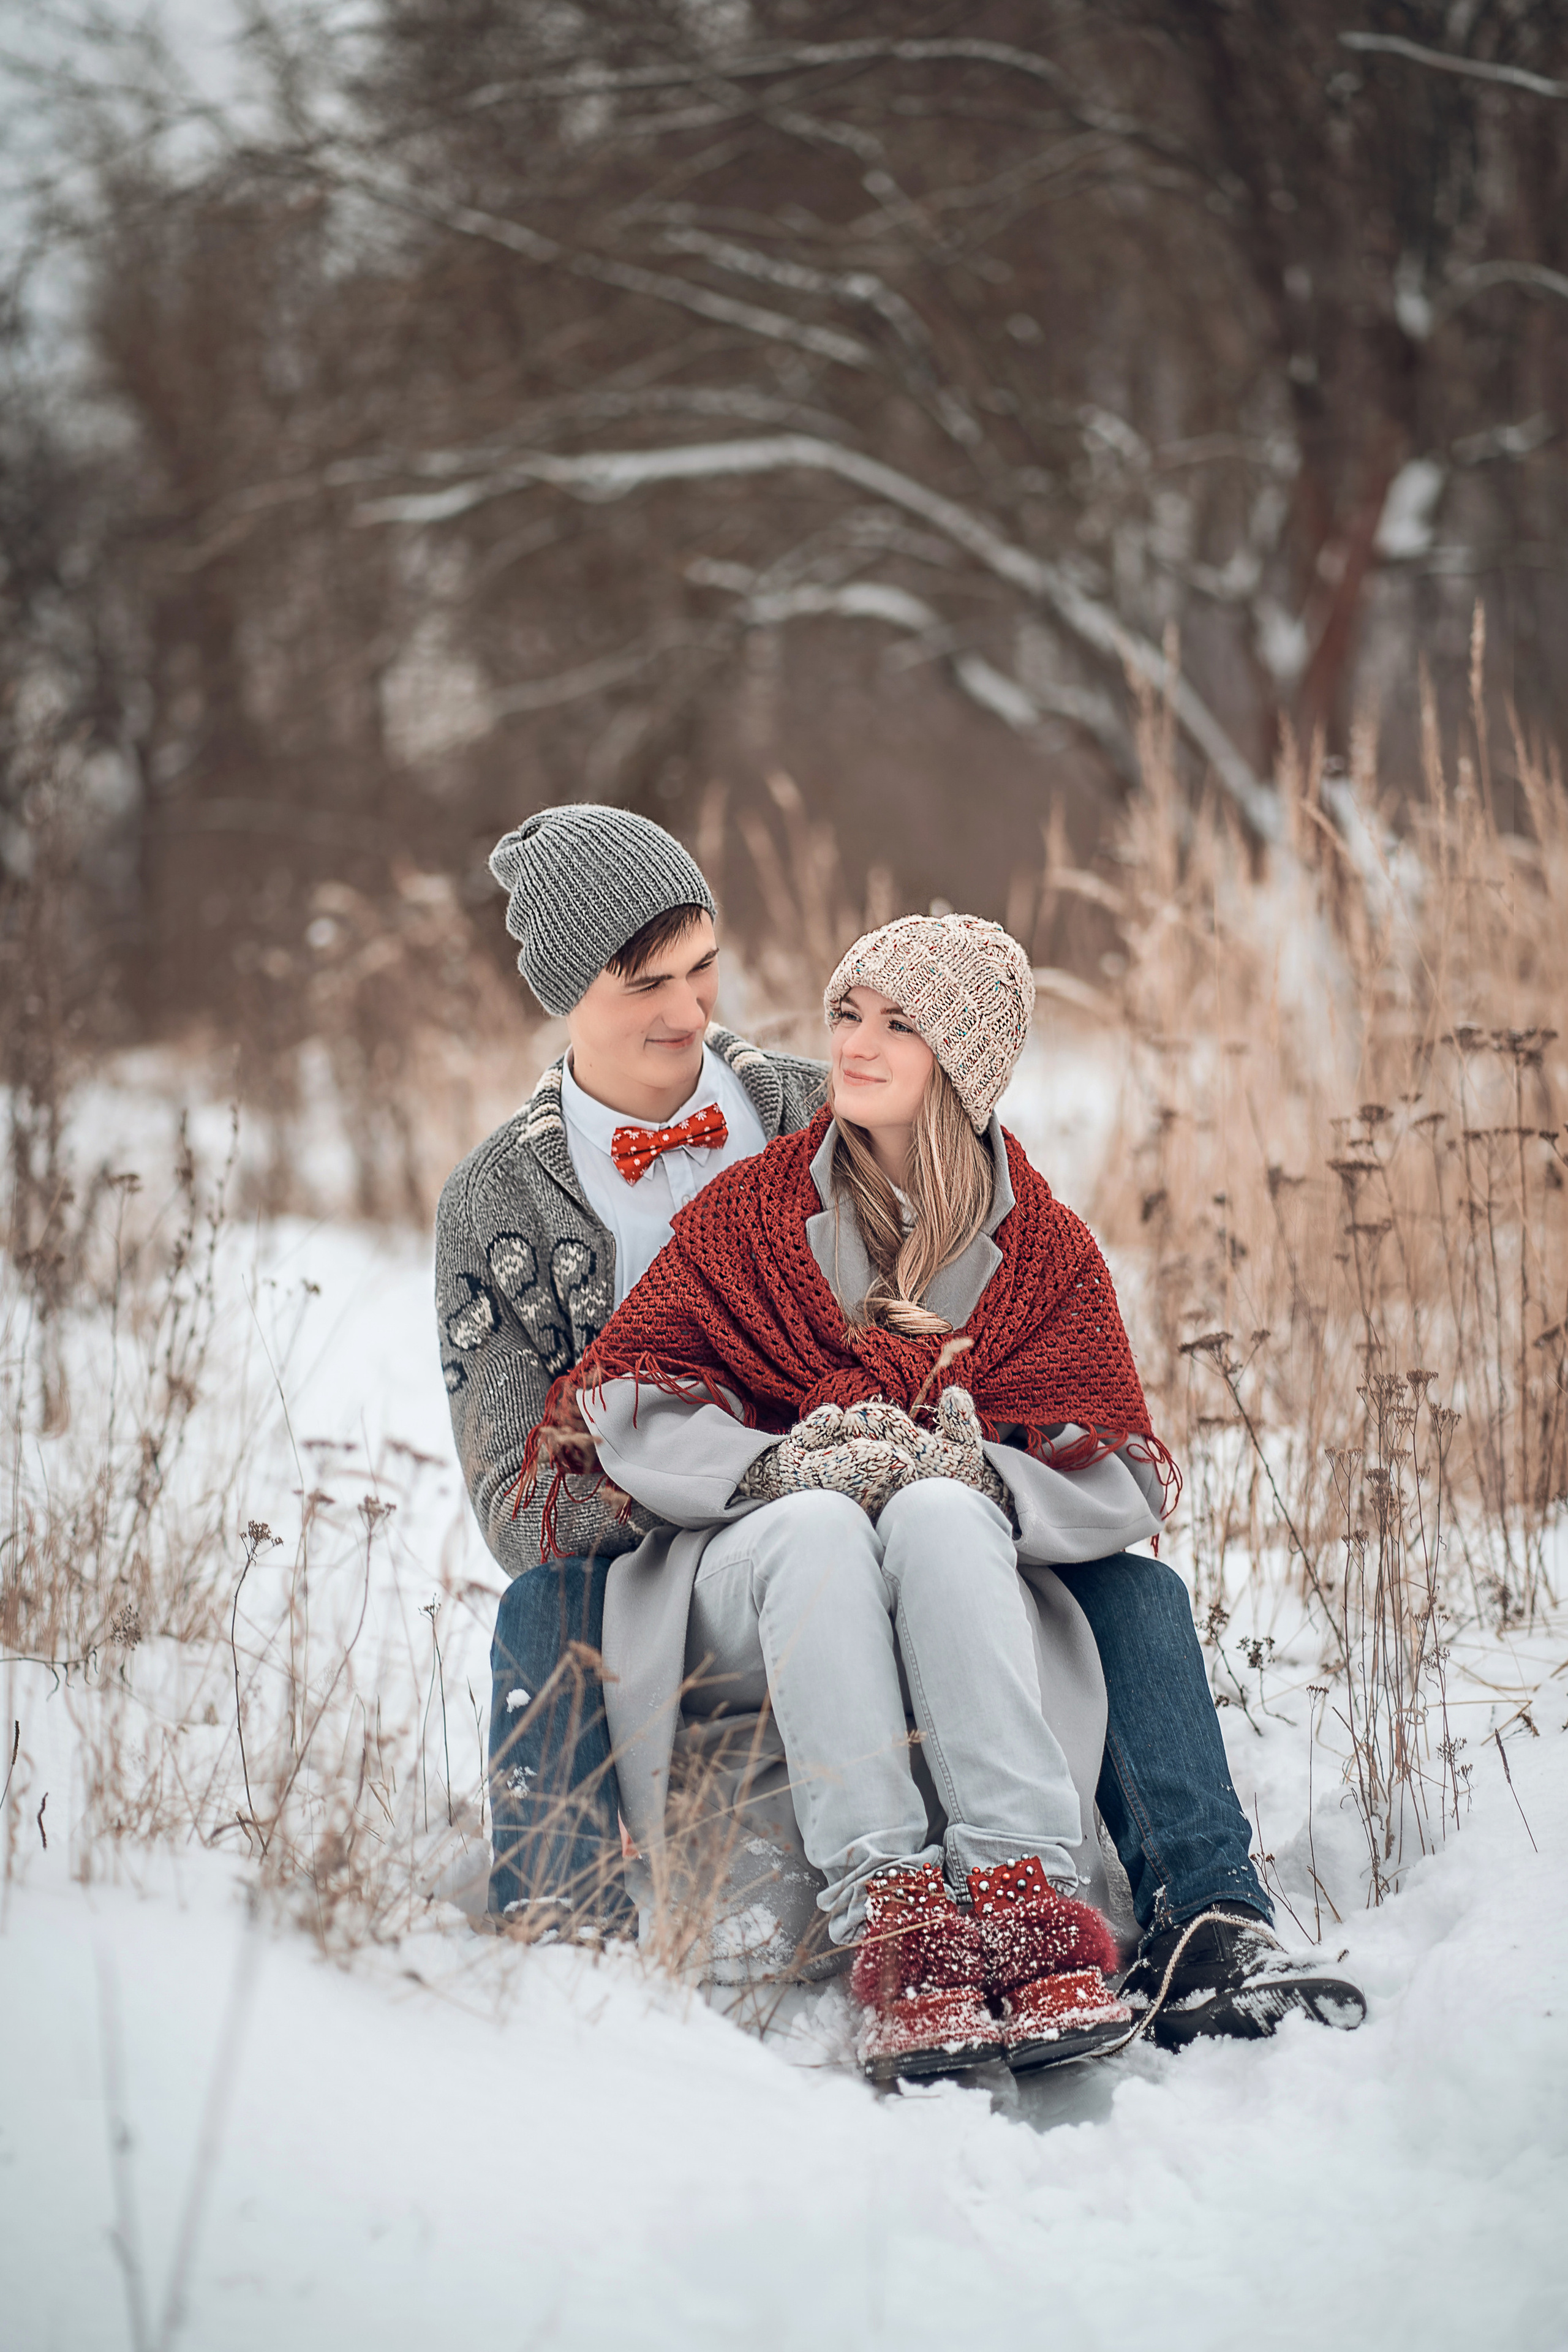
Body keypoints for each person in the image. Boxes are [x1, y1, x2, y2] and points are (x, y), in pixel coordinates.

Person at [518, 914, 1368, 2079]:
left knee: (937, 1509)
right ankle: (898, 1923)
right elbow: (626, 1392)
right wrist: (773, 1467)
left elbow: (1117, 1463)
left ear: (963, 1059)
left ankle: (1027, 1902)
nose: (856, 1046)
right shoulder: (753, 1211)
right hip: (755, 1559)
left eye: (899, 1024)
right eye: (848, 1016)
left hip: (954, 1565)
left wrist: (978, 1470)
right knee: (819, 1523)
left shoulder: (1045, 1251)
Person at [436, 804, 824, 1930]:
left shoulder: (814, 1116)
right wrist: (699, 1489)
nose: (688, 1010)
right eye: (645, 983)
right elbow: (517, 1502)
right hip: (644, 1564)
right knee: (538, 1610)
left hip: (836, 1512)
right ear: (566, 991)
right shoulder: (491, 1201)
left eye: (704, 970)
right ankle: (559, 1936)